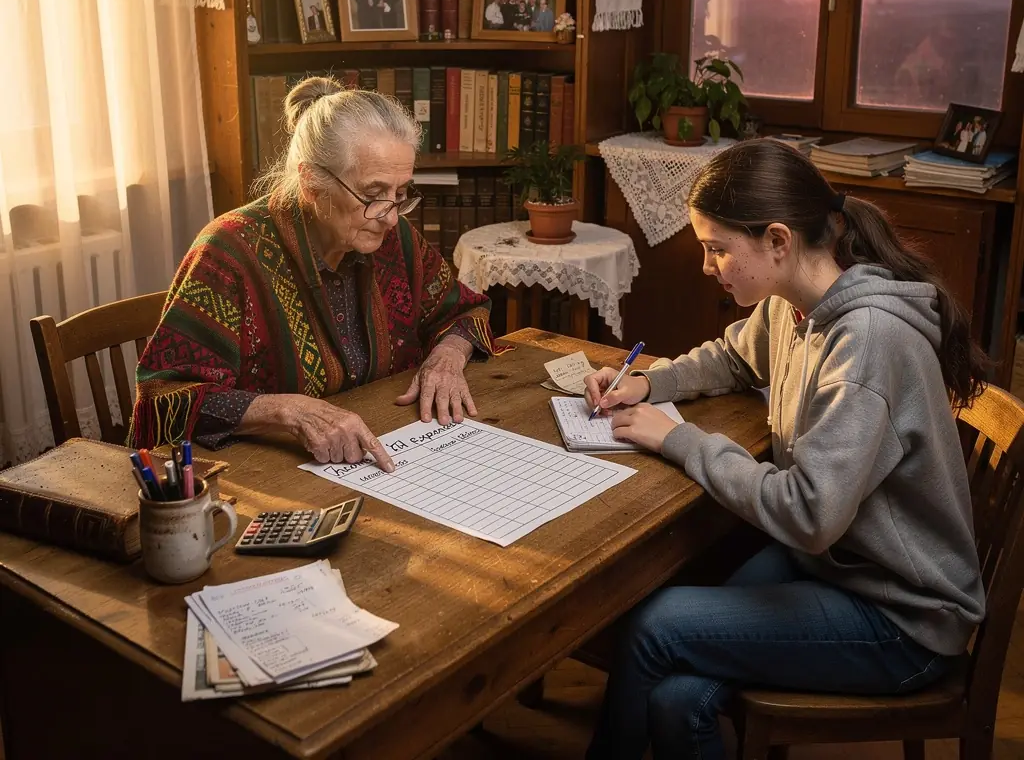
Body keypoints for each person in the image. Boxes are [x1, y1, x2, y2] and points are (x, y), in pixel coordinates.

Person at [583, 138, 985, 760]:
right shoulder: (795, 304)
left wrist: (680, 439)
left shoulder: (867, 342)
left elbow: (809, 515)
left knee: (653, 624)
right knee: (676, 699)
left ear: (777, 240)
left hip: (904, 619)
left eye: (717, 249)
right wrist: (647, 381)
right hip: (840, 568)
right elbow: (733, 355)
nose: (708, 266)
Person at [131, 81, 502, 465]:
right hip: (263, 476)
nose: (391, 216)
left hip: (386, 447)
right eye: (373, 194)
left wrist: (447, 356)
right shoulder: (230, 253)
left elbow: (462, 310)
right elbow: (166, 396)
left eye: (401, 193)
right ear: (311, 183)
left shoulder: (392, 237)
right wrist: (287, 412)